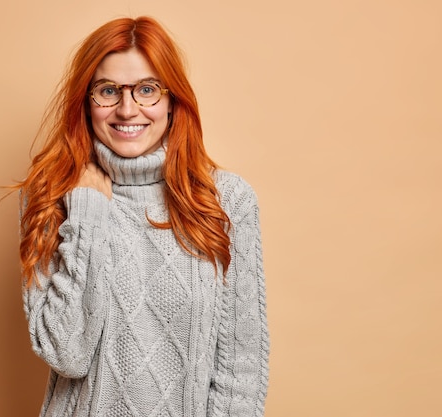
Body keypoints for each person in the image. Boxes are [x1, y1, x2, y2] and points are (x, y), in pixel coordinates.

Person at [18, 16, 269, 417]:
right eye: (108, 90)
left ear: (172, 100)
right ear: (86, 100)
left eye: (147, 90)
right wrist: (86, 214)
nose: (127, 108)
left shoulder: (226, 200)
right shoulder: (53, 195)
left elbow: (240, 369)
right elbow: (67, 353)